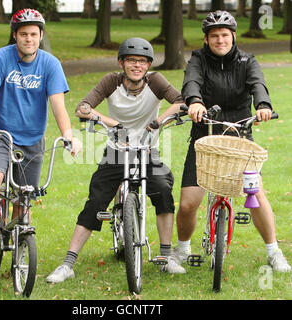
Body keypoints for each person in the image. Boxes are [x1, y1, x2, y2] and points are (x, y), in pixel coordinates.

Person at [46, 37, 185, 283]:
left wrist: (158, 121)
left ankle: (166, 257)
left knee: (163, 190)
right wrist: (113, 124)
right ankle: (68, 264)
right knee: (96, 201)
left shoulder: (156, 81)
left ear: (148, 65)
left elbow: (181, 102)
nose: (137, 65)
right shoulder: (111, 81)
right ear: (122, 62)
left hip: (147, 150)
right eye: (131, 60)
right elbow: (83, 108)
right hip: (116, 150)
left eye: (142, 61)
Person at [171, 10, 291, 273]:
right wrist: (195, 102)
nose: (220, 40)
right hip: (205, 134)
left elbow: (258, 84)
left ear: (233, 36)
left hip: (239, 134)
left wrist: (262, 105)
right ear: (206, 39)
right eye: (214, 36)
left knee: (255, 194)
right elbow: (191, 82)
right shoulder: (198, 59)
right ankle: (181, 249)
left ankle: (273, 251)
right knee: (189, 202)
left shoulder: (248, 60)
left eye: (225, 35)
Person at [0, 8, 81, 263]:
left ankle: (18, 241)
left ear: (40, 35)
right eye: (23, 34)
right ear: (15, 36)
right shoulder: (0, 58)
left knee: (24, 196)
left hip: (33, 141)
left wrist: (68, 135)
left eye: (34, 34)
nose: (29, 39)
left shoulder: (50, 64)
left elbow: (58, 105)